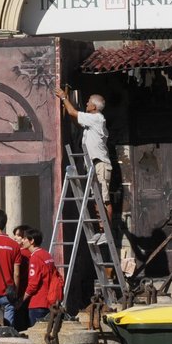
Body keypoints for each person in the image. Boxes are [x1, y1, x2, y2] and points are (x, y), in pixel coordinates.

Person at [56, 86, 113, 243]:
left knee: (104, 198)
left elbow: (74, 113)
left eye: (88, 102)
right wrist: (67, 106)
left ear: (94, 107)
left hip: (100, 163)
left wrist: (63, 97)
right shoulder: (90, 121)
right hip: (92, 165)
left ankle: (107, 233)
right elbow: (76, 120)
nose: (86, 104)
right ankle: (101, 231)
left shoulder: (97, 118)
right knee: (96, 200)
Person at [17, 226, 63, 328]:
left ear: (31, 240)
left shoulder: (35, 257)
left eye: (24, 238)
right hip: (49, 301)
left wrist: (21, 300)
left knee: (37, 335)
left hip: (37, 303)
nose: (22, 241)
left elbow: (33, 284)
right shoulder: (46, 254)